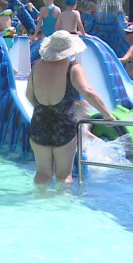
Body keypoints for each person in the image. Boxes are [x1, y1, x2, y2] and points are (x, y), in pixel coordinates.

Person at [25, 31, 115, 184]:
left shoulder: (37, 66)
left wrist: (42, 110)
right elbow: (88, 92)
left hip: (39, 123)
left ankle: (38, 205)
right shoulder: (73, 68)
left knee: (42, 174)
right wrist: (107, 114)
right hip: (64, 126)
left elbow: (29, 95)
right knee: (63, 176)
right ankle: (62, 206)